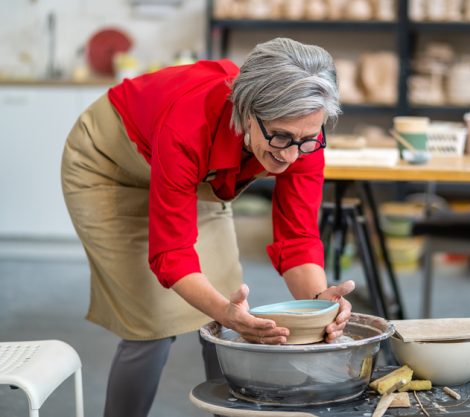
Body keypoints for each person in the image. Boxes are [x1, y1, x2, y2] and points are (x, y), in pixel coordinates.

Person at [61, 37, 355, 417]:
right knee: (151, 325)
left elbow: (297, 237)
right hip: (108, 169)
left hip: (196, 177)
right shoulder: (189, 122)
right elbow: (171, 253)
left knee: (233, 316)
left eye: (306, 139)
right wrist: (223, 311)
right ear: (248, 112)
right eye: (280, 137)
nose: (291, 154)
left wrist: (320, 304)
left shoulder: (302, 134)